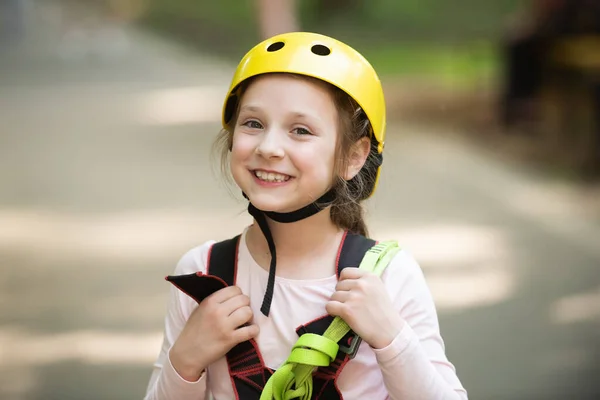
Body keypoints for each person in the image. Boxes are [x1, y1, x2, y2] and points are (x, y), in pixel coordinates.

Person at [144, 32, 468, 400]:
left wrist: (392, 338)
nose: (269, 147)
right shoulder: (204, 274)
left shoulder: (390, 278)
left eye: (300, 130)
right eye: (253, 124)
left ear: (354, 157)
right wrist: (185, 360)